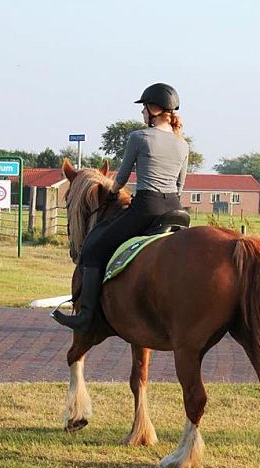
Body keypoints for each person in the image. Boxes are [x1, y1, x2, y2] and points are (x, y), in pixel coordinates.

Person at [52, 83, 189, 330]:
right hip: (176, 210)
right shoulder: (183, 144)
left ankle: (86, 315)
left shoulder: (139, 137)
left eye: (143, 108)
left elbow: (123, 177)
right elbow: (180, 184)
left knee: (93, 249)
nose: (142, 113)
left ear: (153, 109)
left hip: (147, 208)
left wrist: (113, 193)